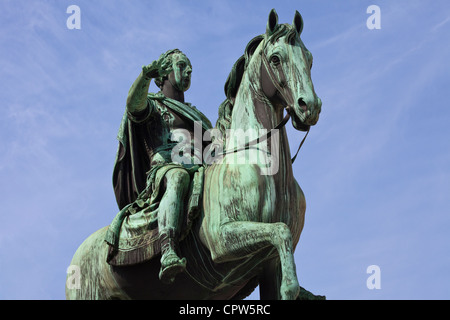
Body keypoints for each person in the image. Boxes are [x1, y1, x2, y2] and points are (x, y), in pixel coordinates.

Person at [105, 49, 212, 284]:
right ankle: (168, 250)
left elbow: (215, 150)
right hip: (166, 169)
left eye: (190, 67)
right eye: (182, 66)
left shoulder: (199, 116)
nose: (189, 71)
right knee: (178, 178)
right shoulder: (153, 105)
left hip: (201, 168)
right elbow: (134, 106)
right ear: (163, 74)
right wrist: (144, 76)